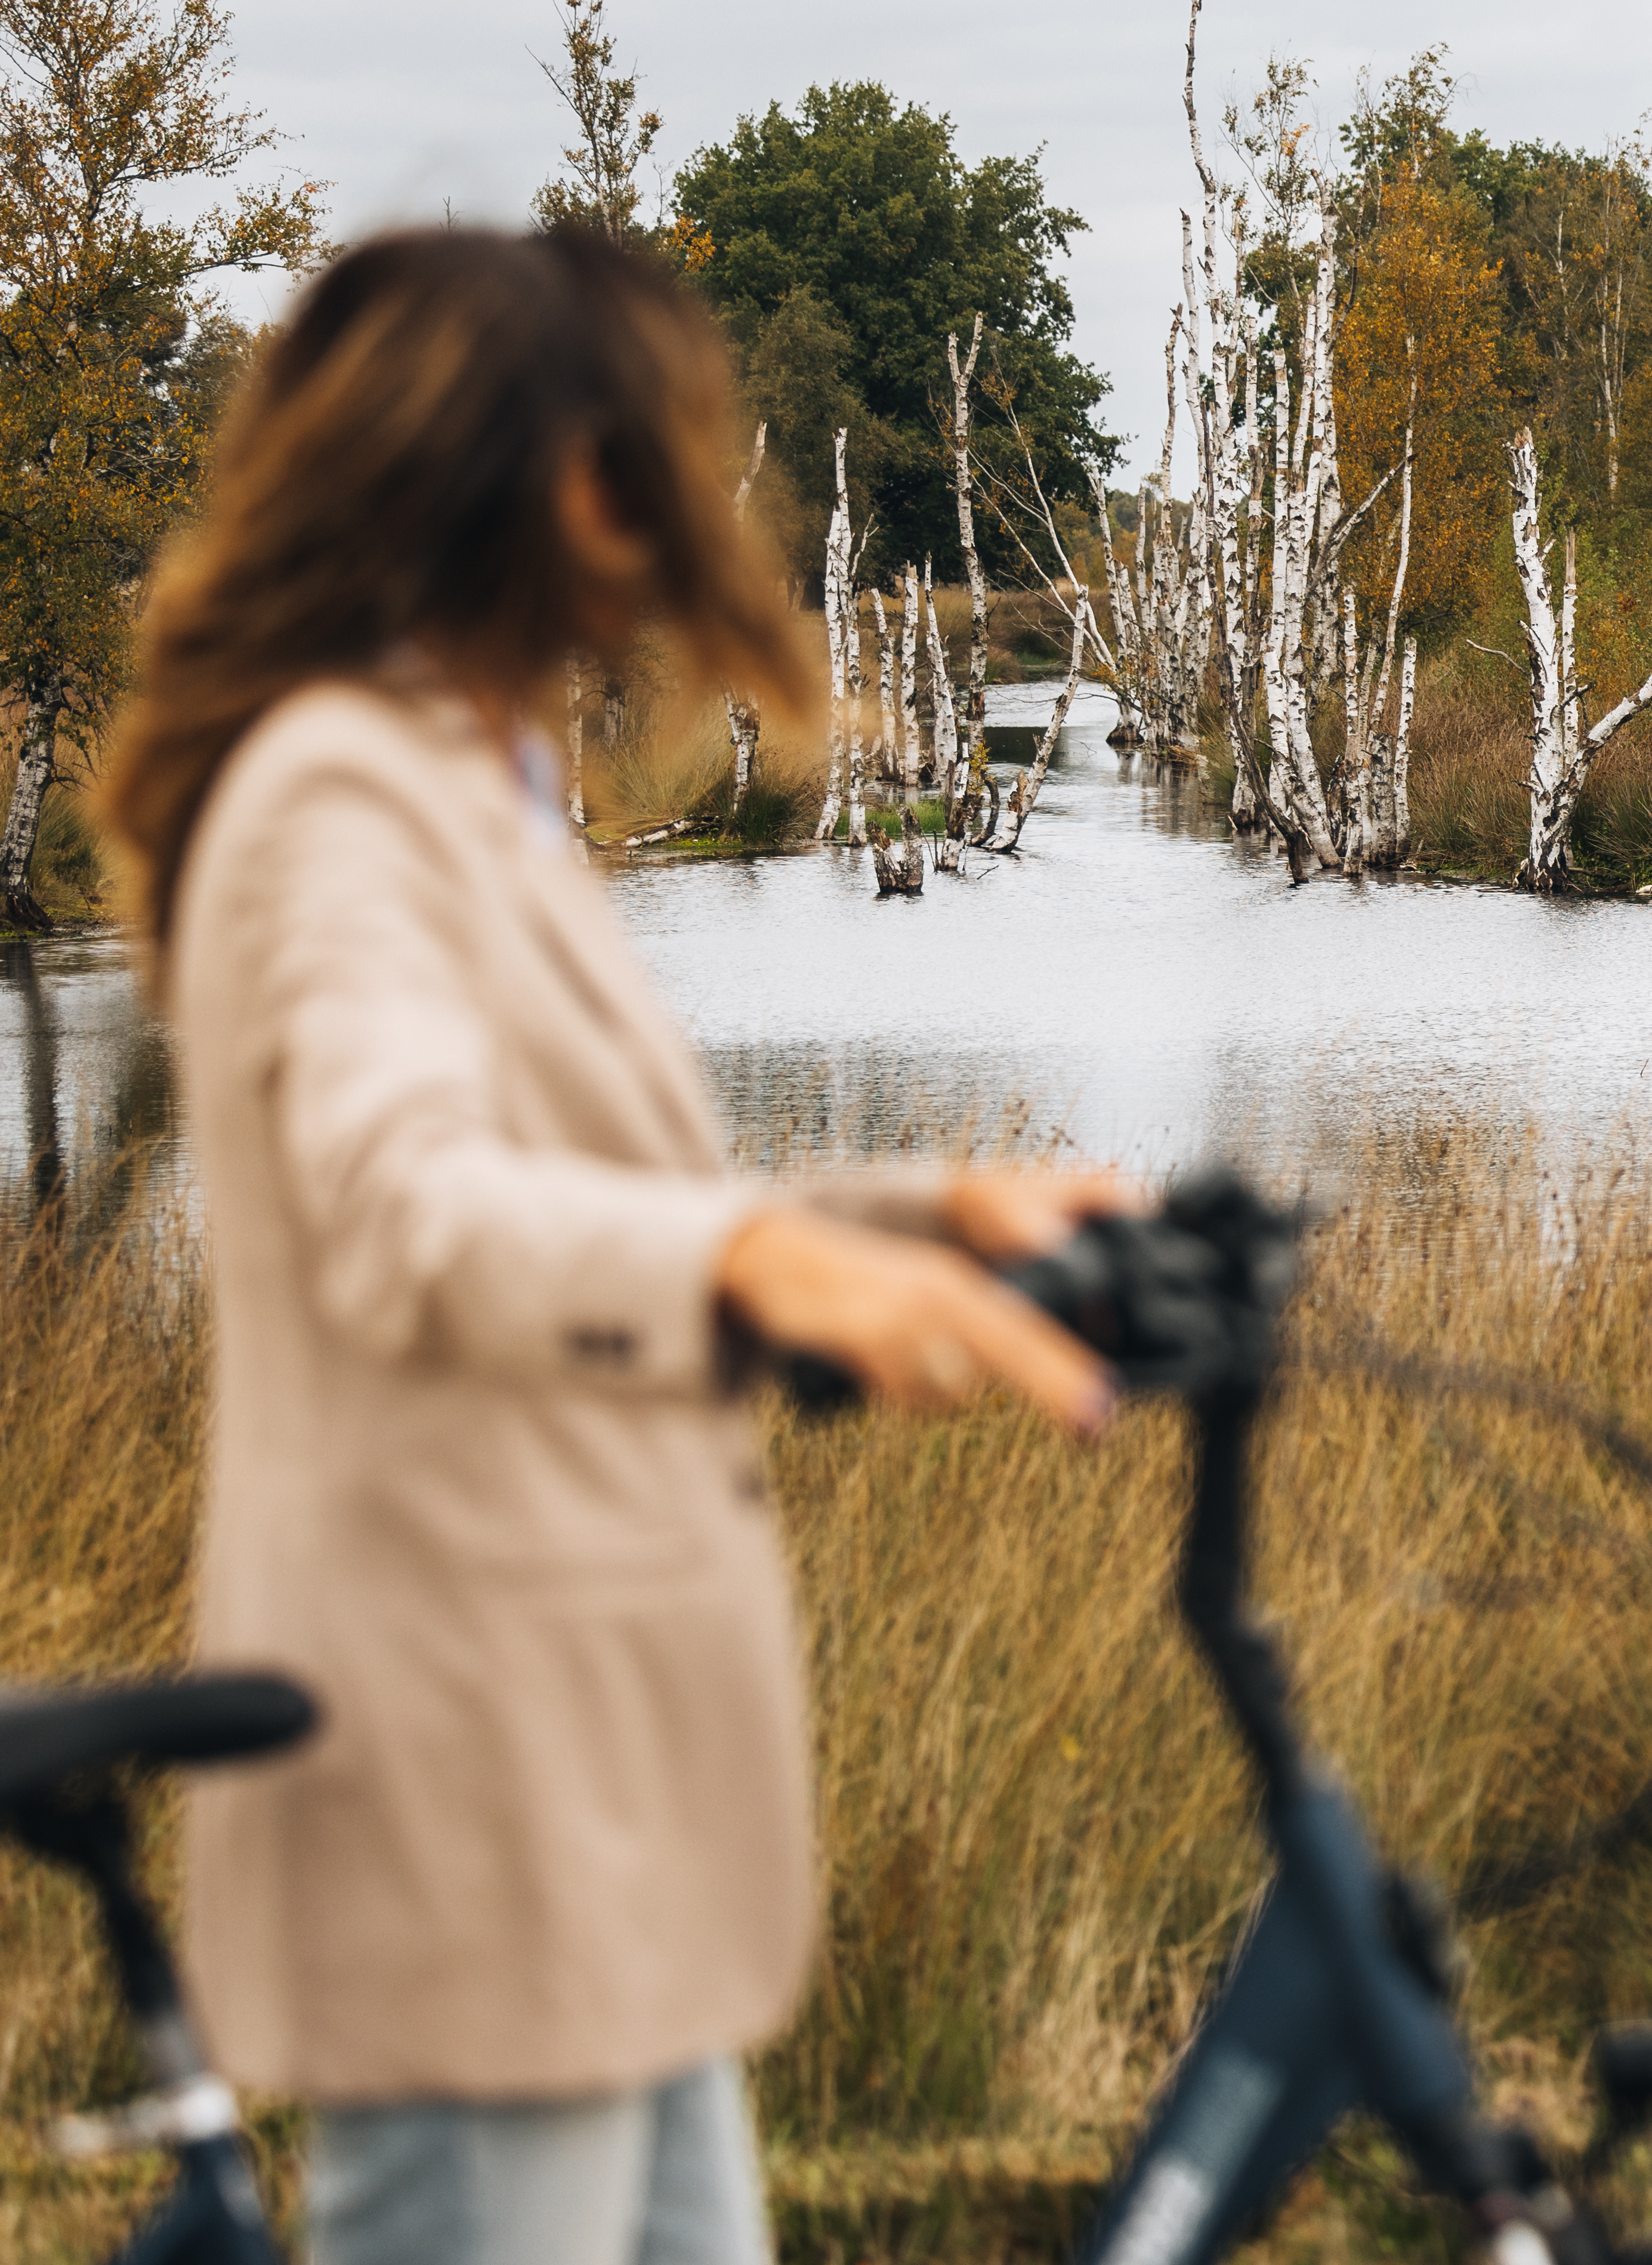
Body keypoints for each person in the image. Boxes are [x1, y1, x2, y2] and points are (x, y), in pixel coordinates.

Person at [99, 227, 1123, 2265]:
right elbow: (409, 1206)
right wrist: (748, 1271)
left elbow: (581, 1187)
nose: (689, 504)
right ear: (540, 478)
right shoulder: (335, 799)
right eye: (653, 449)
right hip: (477, 1805)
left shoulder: (475, 785)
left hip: (594, 1812)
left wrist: (928, 1216)